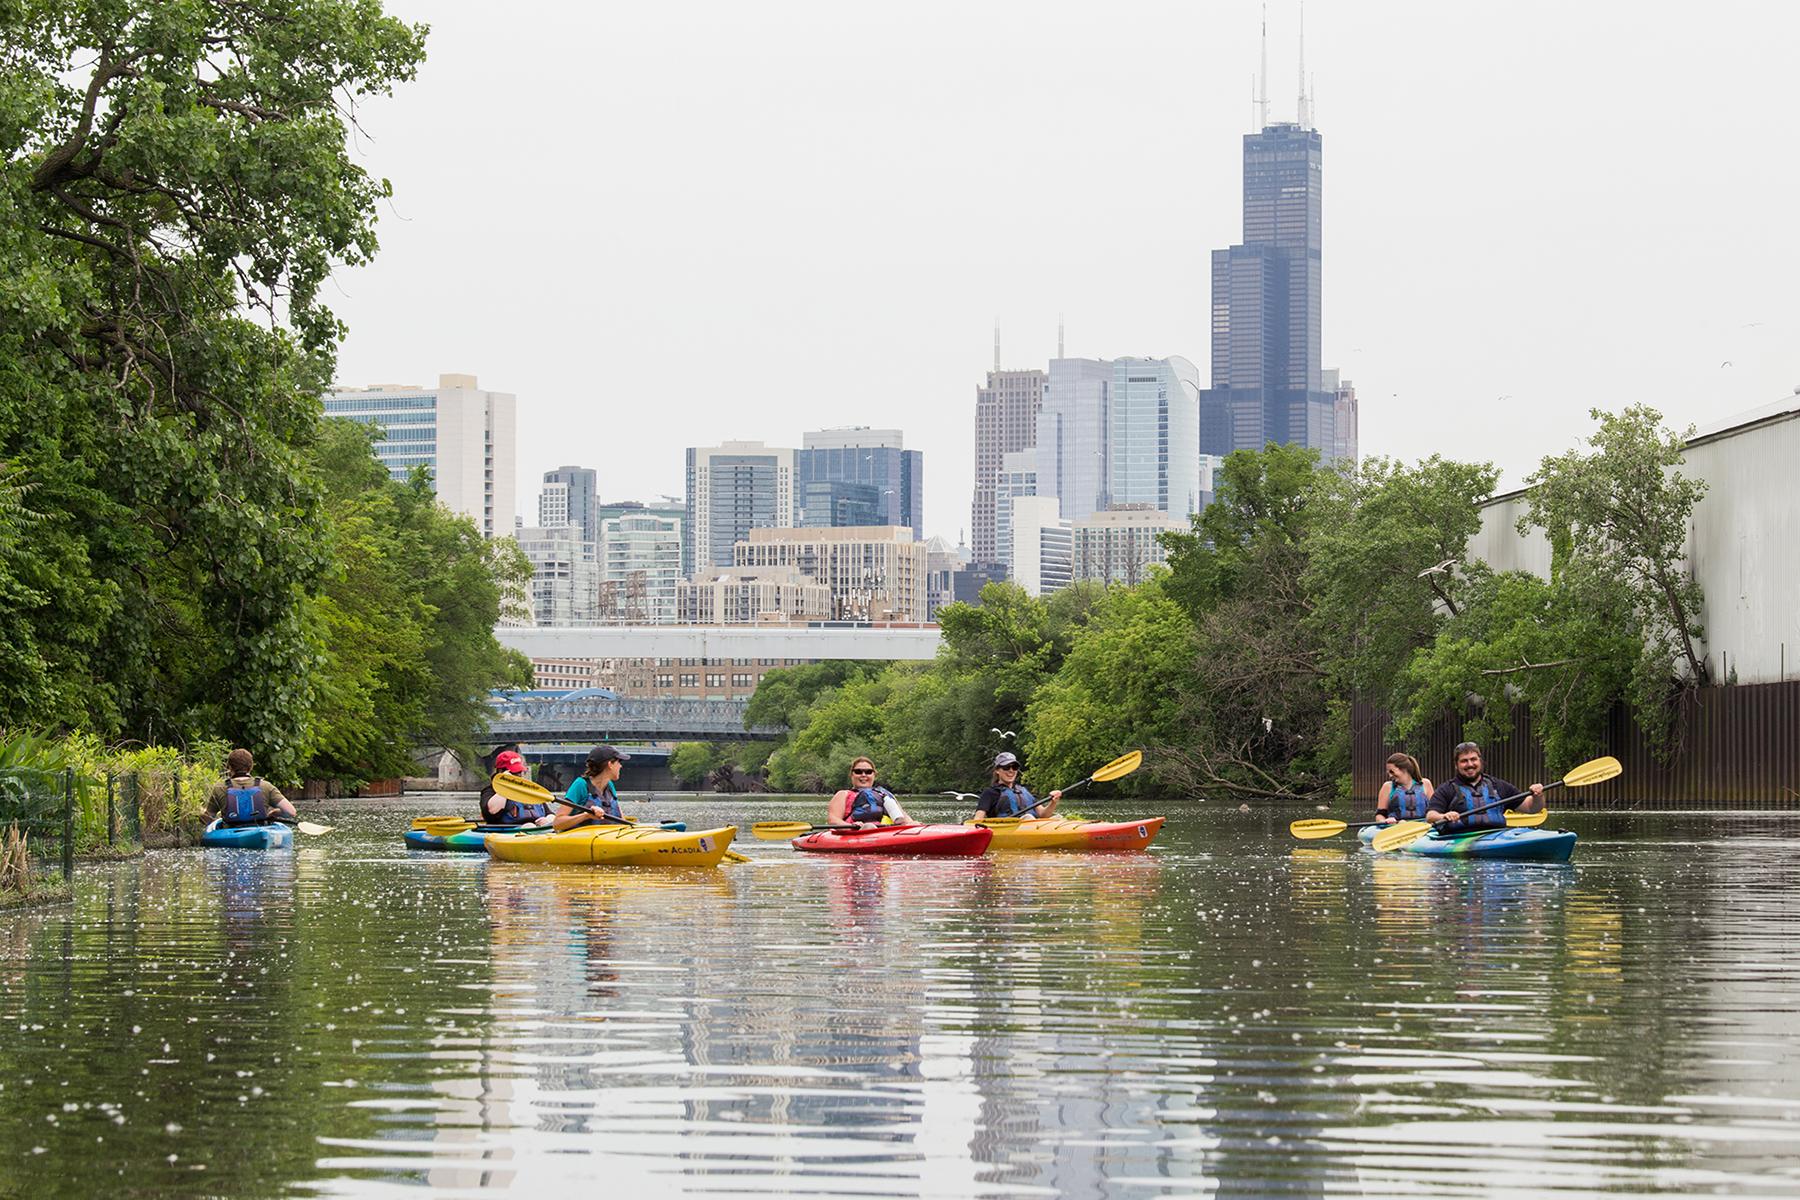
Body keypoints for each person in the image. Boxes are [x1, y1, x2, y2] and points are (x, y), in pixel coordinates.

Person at [1426, 741, 1545, 831]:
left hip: (1497, 835)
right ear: (1456, 765)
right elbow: (1431, 816)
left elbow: (1531, 808)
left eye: (1473, 759)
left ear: (1480, 761)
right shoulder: (1446, 789)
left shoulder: (1498, 786)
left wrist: (1537, 795)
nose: (1470, 764)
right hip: (1460, 837)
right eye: (1464, 761)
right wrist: (1444, 816)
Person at [206, 748, 298, 826]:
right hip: (260, 830)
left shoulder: (220, 787)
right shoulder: (266, 786)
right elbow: (291, 812)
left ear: (229, 767)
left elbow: (208, 818)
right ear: (251, 766)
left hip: (231, 831)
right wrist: (274, 813)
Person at [553, 745, 630, 832]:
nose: (620, 766)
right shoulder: (581, 785)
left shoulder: (609, 786)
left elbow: (622, 820)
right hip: (581, 841)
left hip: (607, 839)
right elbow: (557, 824)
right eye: (619, 762)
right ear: (610, 764)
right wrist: (586, 815)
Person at [827, 757, 912, 829]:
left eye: (868, 772)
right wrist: (850, 826)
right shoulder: (843, 794)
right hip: (857, 831)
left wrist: (913, 824)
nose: (863, 775)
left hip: (886, 831)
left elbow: (904, 817)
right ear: (851, 775)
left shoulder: (885, 794)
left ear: (874, 774)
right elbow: (833, 820)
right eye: (858, 772)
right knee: (869, 826)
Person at [973, 752, 1061, 819]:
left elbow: (1043, 814)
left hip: (1032, 826)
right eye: (1006, 767)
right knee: (1028, 818)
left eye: (1014, 767)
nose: (1011, 770)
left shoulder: (1023, 791)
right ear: (997, 770)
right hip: (1008, 830)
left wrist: (1053, 802)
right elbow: (978, 820)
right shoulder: (989, 793)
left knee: (1059, 818)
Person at [480, 749, 554, 827]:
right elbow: (492, 811)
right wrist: (506, 785)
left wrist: (548, 819)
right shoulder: (489, 791)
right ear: (501, 771)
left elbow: (550, 814)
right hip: (507, 833)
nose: (519, 775)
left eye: (519, 772)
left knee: (533, 825)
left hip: (536, 831)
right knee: (529, 826)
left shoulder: (529, 789)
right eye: (514, 772)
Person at [1373, 752, 1434, 825]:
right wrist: (1385, 821)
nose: (1390, 775)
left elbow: (1435, 810)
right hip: (1397, 827)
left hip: (1423, 827)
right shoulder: (1387, 787)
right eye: (1388, 772)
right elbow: (1380, 815)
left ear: (1404, 769)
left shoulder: (1425, 784)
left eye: (1392, 771)